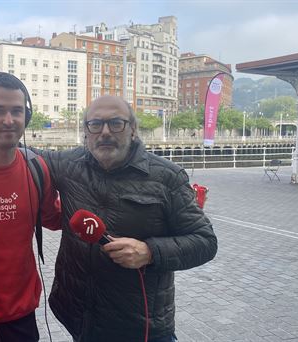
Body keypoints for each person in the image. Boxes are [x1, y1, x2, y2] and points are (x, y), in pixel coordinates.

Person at [36, 96, 218, 341]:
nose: (105, 132)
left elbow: (205, 242)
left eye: (116, 123)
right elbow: (25, 155)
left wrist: (150, 252)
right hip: (78, 317)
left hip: (140, 326)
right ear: (86, 131)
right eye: (95, 124)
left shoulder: (168, 177)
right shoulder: (68, 164)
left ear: (133, 129)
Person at [0, 72, 61, 342]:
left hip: (20, 316)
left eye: (17, 111)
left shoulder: (37, 169)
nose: (9, 120)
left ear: (26, 117)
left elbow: (55, 217)